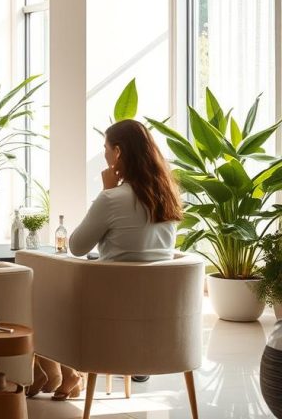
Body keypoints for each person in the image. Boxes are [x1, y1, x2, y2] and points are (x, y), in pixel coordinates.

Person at [29, 119, 183, 400]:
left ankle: (54, 372)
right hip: (160, 319)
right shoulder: (168, 197)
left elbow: (76, 246)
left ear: (119, 153)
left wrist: (106, 191)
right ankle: (60, 375)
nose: (104, 154)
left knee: (41, 293)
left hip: (110, 316)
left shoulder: (112, 198)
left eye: (106, 148)